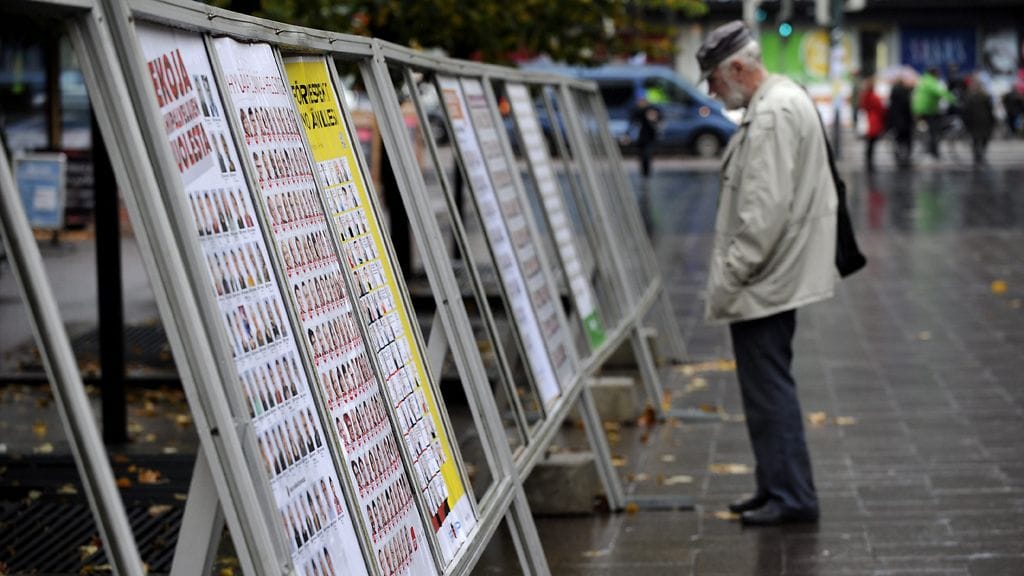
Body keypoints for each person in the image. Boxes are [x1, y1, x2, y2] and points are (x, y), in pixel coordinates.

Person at [696, 21, 836, 526]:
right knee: (765, 389)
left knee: (769, 389)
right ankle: (775, 486)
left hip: (765, 280)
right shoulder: (777, 102)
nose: (711, 90)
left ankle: (792, 496)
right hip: (775, 275)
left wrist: (731, 276)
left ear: (738, 67)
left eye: (713, 78)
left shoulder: (774, 113)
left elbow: (764, 211)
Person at [912, 66, 956, 160]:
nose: (938, 75)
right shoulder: (931, 82)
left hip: (921, 109)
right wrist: (954, 100)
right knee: (934, 131)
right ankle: (934, 152)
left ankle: (931, 149)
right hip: (927, 110)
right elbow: (941, 92)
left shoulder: (923, 79)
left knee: (932, 129)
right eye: (937, 73)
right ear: (934, 73)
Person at [962, 76, 995, 165]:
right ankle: (978, 155)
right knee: (978, 139)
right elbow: (966, 111)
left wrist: (992, 120)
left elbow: (990, 109)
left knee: (982, 139)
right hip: (977, 121)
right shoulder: (971, 97)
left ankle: (979, 154)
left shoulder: (984, 97)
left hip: (982, 121)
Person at [858, 76, 887, 171]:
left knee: (869, 142)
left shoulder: (864, 96)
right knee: (872, 143)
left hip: (868, 120)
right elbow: (881, 108)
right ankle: (870, 161)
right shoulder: (875, 97)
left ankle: (868, 160)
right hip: (874, 121)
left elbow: (862, 106)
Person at [628, 96, 661, 179]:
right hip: (641, 138)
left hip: (649, 137)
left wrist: (653, 119)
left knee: (647, 154)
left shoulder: (651, 110)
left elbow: (657, 123)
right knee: (641, 155)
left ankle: (647, 172)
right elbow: (633, 123)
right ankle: (644, 172)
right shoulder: (638, 111)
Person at [887, 73, 915, 167]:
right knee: (906, 138)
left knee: (898, 137)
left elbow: (890, 107)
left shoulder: (893, 91)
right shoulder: (905, 92)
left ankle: (898, 153)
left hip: (896, 119)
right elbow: (907, 106)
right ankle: (906, 155)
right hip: (905, 119)